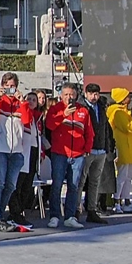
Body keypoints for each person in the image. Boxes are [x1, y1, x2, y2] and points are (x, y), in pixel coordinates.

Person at [44, 83, 94, 229]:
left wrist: (87, 149)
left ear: (76, 95)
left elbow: (89, 132)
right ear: (61, 95)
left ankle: (70, 216)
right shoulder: (55, 109)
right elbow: (50, 125)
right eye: (66, 94)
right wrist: (63, 114)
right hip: (60, 152)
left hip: (78, 154)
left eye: (71, 94)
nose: (68, 97)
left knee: (74, 185)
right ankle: (54, 216)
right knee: (57, 184)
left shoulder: (83, 111)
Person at [0, 72, 27, 228]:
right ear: (2, 86)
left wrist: (22, 102)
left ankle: (0, 214)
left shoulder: (19, 103)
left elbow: (27, 120)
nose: (10, 89)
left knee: (10, 185)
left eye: (13, 86)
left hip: (16, 150)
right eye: (7, 86)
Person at [7, 90, 45, 226]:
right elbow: (25, 121)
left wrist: (41, 153)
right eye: (28, 99)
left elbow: (40, 136)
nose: (31, 102)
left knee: (27, 186)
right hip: (23, 151)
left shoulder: (39, 117)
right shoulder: (24, 111)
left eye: (34, 100)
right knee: (18, 184)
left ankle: (21, 210)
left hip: (33, 151)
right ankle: (15, 212)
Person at [106, 89, 132, 213]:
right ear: (122, 99)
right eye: (128, 96)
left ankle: (126, 200)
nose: (130, 97)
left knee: (128, 176)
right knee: (122, 176)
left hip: (129, 147)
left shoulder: (124, 112)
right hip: (122, 147)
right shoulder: (117, 112)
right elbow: (129, 128)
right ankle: (117, 201)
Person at [80, 83, 115, 223]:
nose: (94, 96)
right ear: (86, 94)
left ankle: (91, 210)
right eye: (91, 94)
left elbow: (106, 129)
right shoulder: (82, 107)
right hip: (87, 150)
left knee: (95, 182)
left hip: (100, 149)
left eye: (96, 94)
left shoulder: (101, 107)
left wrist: (107, 148)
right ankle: (76, 210)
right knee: (81, 181)